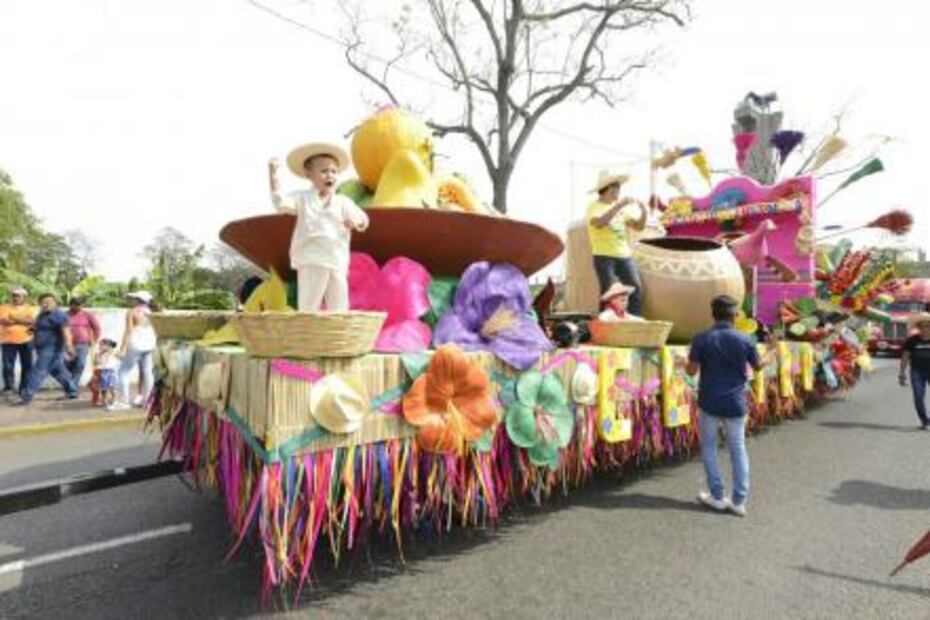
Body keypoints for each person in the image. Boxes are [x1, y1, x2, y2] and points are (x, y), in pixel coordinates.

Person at [680, 295, 771, 517]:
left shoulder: (701, 338)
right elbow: (758, 367)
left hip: (709, 400)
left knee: (709, 447)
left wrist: (682, 362)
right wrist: (773, 353)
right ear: (735, 315)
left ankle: (718, 497)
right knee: (737, 449)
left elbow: (691, 371)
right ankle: (739, 501)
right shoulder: (745, 339)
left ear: (713, 314)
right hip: (735, 402)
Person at [268, 142, 369, 312]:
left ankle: (337, 337)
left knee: (339, 308)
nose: (329, 175)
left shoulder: (343, 202)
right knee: (308, 306)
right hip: (311, 260)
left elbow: (363, 219)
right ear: (309, 174)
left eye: (333, 171)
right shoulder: (302, 198)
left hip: (337, 260)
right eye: (323, 171)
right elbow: (280, 202)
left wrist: (356, 222)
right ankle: (307, 337)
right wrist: (273, 175)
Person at [586, 170, 648, 315]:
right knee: (609, 292)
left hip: (625, 255)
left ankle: (634, 323)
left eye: (619, 187)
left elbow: (639, 227)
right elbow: (599, 223)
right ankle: (605, 325)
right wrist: (618, 206)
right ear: (606, 189)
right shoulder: (594, 207)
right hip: (604, 256)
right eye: (615, 187)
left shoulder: (620, 210)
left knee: (635, 287)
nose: (618, 191)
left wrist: (644, 211)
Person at [16, 293, 76, 405]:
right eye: (43, 302)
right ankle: (72, 390)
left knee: (38, 371)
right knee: (57, 371)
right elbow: (39, 326)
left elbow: (66, 331)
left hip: (52, 348)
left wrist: (69, 346)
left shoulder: (59, 315)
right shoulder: (42, 314)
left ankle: (26, 396)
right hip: (41, 348)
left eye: (48, 302)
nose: (45, 304)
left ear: (55, 303)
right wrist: (32, 330)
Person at [109, 291, 157, 410]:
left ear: (139, 300)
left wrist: (122, 348)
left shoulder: (132, 312)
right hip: (150, 343)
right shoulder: (151, 312)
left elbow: (129, 330)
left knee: (123, 372)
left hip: (136, 343)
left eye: (134, 298)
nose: (132, 300)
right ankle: (148, 401)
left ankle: (123, 402)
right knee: (148, 372)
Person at [0, 287, 37, 398]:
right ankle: (9, 387)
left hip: (27, 340)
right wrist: (23, 320)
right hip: (8, 341)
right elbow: (4, 321)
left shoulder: (31, 309)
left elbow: (33, 321)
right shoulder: (4, 307)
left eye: (18, 295)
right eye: (14, 295)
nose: (15, 298)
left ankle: (24, 388)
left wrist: (14, 318)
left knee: (27, 365)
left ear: (24, 297)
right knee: (7, 366)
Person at [899, 312, 930, 430]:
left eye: (928, 325)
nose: (925, 328)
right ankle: (925, 421)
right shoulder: (912, 340)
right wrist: (902, 373)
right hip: (917, 372)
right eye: (923, 326)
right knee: (918, 396)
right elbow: (905, 357)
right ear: (918, 328)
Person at [65, 297, 101, 392]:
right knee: (65, 363)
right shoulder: (65, 315)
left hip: (83, 344)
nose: (78, 307)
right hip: (67, 344)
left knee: (80, 364)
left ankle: (72, 387)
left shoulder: (87, 315)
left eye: (80, 305)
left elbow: (96, 328)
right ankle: (72, 384)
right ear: (70, 305)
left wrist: (94, 339)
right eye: (76, 305)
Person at [92, 338, 120, 407]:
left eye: (102, 345)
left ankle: (114, 400)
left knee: (113, 387)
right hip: (103, 372)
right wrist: (98, 357)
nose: (100, 347)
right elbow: (96, 363)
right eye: (100, 345)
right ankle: (104, 400)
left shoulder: (112, 352)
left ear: (108, 346)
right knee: (104, 388)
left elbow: (118, 356)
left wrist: (109, 350)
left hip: (111, 372)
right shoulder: (98, 354)